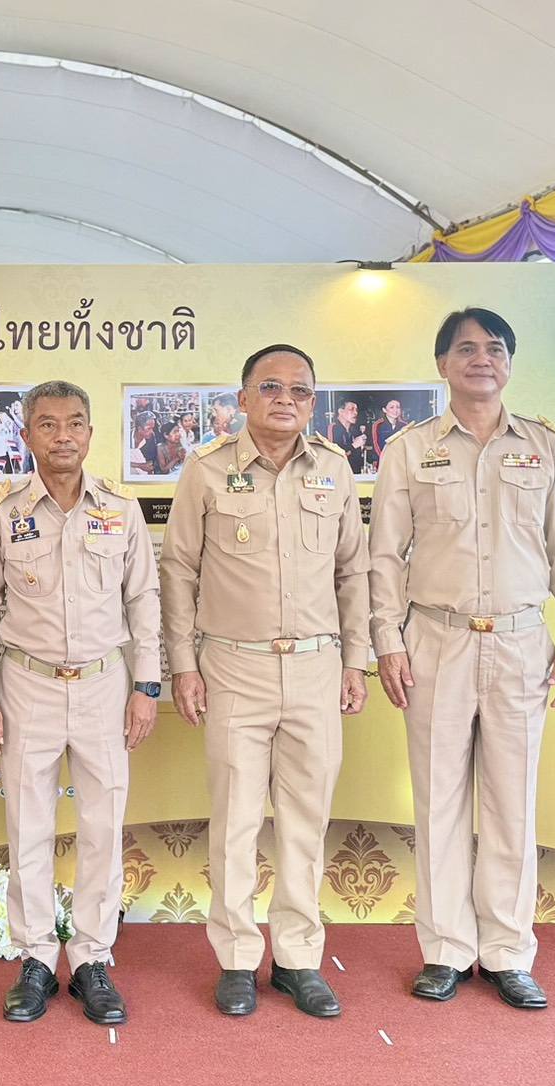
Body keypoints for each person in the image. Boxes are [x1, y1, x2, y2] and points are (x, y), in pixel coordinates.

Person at [369, 308, 555, 1010]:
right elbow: (384, 554)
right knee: (437, 800)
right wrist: (386, 640)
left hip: (521, 642)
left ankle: (505, 951)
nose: (481, 359)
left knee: (510, 802)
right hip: (434, 640)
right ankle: (444, 950)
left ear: (508, 364)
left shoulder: (545, 448)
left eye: (494, 349)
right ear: (442, 364)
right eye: (466, 348)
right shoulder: (410, 449)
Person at [160, 344, 369, 1020]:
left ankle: (298, 959)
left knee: (306, 821)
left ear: (313, 403)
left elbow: (353, 572)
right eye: (270, 387)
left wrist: (355, 660)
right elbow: (178, 570)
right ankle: (236, 959)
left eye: (300, 390)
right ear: (243, 398)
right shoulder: (206, 470)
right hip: (232, 667)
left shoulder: (334, 469)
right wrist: (183, 664)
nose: (285, 399)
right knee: (236, 821)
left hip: (315, 666)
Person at [0, 381, 161, 1026]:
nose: (63, 436)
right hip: (28, 683)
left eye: (75, 423)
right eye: (47, 425)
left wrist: (146, 685)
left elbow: (143, 599)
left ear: (91, 433)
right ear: (27, 436)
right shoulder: (3, 512)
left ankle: (93, 956)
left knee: (104, 823)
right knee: (28, 824)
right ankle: (36, 957)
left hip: (105, 682)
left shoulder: (119, 508)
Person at [329, 400, 368, 473]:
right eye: (351, 409)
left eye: (356, 410)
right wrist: (354, 445)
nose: (355, 413)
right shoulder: (332, 429)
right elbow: (335, 455)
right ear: (341, 411)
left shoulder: (355, 431)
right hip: (339, 472)